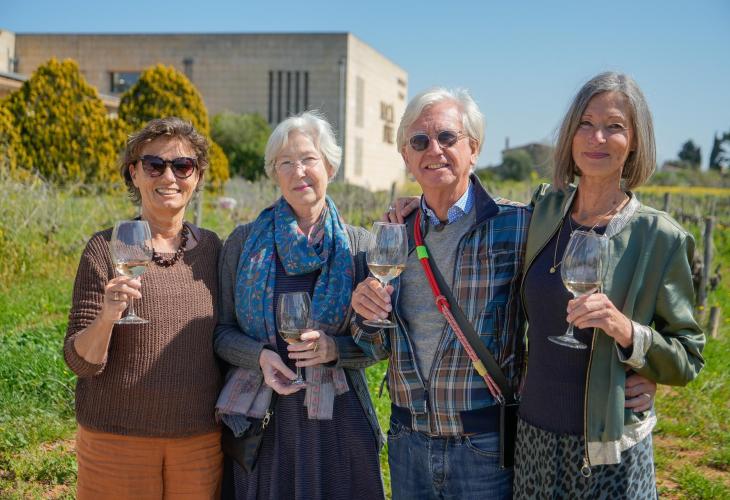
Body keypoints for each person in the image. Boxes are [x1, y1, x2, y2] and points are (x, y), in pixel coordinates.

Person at [352, 87, 659, 500]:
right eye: (419, 141)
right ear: (407, 157)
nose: (434, 150)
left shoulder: (519, 225)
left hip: (485, 446)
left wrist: (640, 372)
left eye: (447, 137)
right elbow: (371, 344)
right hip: (408, 440)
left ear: (474, 149)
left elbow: (563, 311)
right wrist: (366, 315)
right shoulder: (393, 234)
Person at [513, 72, 705, 498]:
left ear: (634, 141)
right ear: (570, 133)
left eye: (614, 126)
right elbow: (472, 212)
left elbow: (688, 357)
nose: (596, 137)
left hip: (610, 449)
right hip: (532, 438)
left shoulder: (661, 238)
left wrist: (626, 331)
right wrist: (419, 204)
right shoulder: (542, 211)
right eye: (585, 123)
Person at [214, 110, 385, 500]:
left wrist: (334, 349)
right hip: (264, 423)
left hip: (338, 421)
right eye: (285, 163)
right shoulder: (242, 243)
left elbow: (381, 344)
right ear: (274, 173)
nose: (298, 171)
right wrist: (259, 357)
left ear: (330, 167)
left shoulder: (360, 247)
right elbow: (221, 333)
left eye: (308, 159)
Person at [64, 117, 223, 498]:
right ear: (134, 173)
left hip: (199, 442)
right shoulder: (104, 249)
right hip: (116, 441)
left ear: (197, 177)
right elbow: (81, 362)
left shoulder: (215, 250)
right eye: (154, 165)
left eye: (182, 165)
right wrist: (108, 316)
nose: (169, 177)